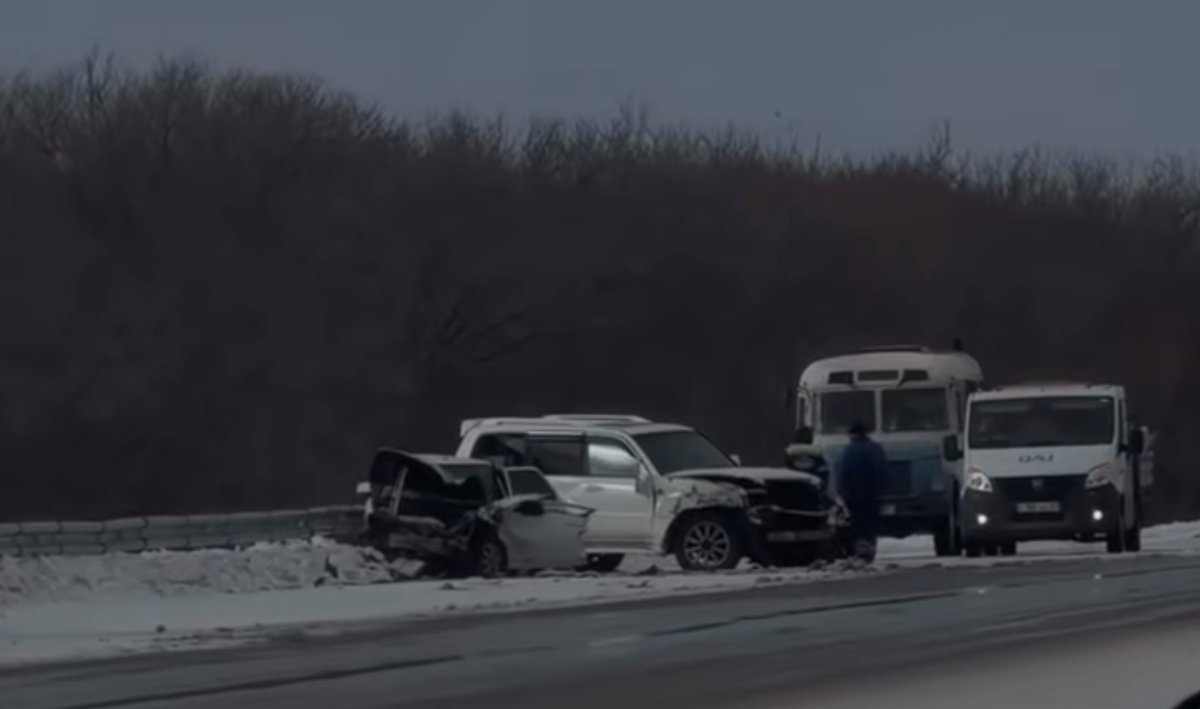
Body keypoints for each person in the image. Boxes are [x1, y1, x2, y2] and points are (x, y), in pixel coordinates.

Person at [837, 420, 888, 561]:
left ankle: (859, 551)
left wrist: (843, 493)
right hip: (872, 495)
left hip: (853, 496)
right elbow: (881, 472)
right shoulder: (875, 449)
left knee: (856, 526)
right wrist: (881, 491)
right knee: (870, 525)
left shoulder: (849, 450)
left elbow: (844, 475)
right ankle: (869, 550)